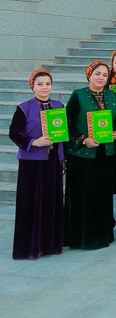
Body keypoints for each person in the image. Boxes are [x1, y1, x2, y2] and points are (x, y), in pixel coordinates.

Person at [9, 70, 65, 260]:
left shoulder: (59, 106)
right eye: (40, 84)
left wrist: (62, 158)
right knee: (30, 204)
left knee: (51, 203)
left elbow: (63, 136)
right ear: (32, 86)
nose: (44, 88)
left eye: (47, 84)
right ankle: (29, 248)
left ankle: (50, 246)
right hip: (31, 163)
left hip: (52, 162)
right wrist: (34, 142)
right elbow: (14, 133)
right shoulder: (24, 108)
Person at [64, 61, 116, 250]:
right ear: (89, 75)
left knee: (102, 196)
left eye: (104, 75)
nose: (101, 78)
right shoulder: (78, 95)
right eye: (97, 74)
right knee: (83, 197)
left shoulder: (112, 95)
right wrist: (83, 139)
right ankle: (81, 239)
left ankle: (102, 236)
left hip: (105, 155)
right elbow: (66, 124)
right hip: (83, 156)